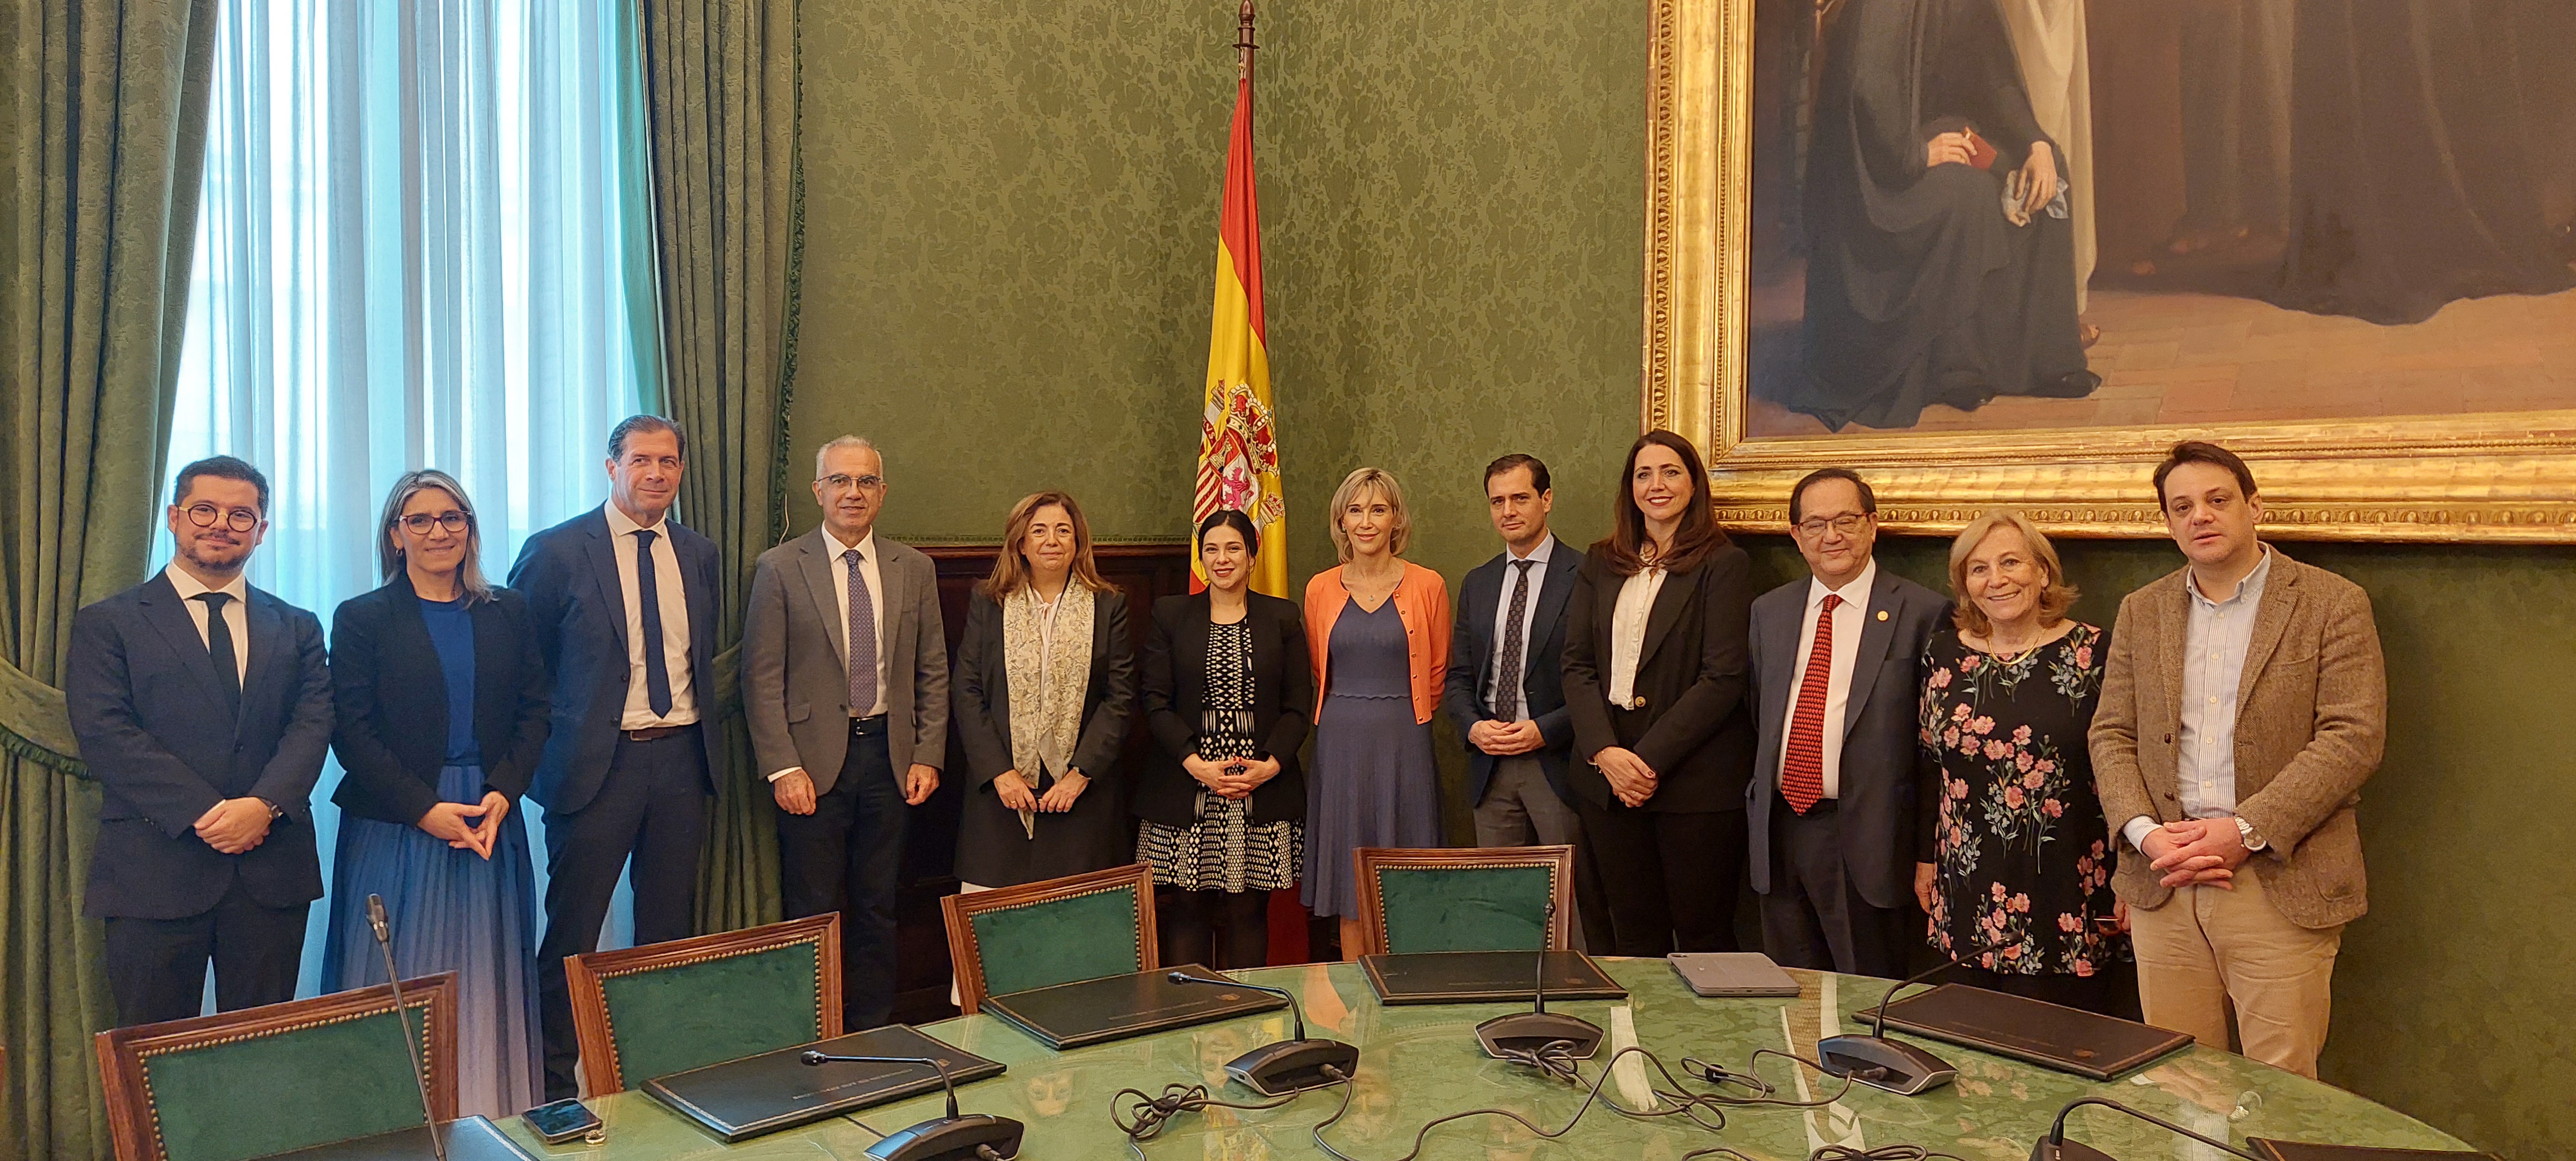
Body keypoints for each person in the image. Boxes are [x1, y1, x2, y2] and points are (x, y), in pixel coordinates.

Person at [2089, 441, 2386, 1079]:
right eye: (2182, 506)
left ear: (2253, 505)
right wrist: (2146, 836)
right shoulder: (2141, 610)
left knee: (2281, 1086)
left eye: (2217, 499)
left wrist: (2242, 831)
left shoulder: (2332, 602)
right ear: (2168, 523)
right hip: (2164, 878)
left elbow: (2351, 735)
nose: (2201, 515)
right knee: (2177, 1079)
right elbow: (2110, 733)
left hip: (2276, 877)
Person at [69, 456, 332, 1027]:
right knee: (155, 1061)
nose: (221, 524)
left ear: (261, 530)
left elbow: (313, 724)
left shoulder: (298, 626)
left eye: (241, 514)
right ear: (174, 517)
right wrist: (208, 812)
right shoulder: (108, 623)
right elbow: (105, 732)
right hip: (153, 871)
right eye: (205, 509)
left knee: (263, 1053)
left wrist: (261, 806)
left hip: (271, 872)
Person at [321, 470, 550, 1115]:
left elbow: (537, 711)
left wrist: (505, 790)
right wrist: (424, 810)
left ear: (470, 529)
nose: (437, 531)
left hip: (488, 818)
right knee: (395, 982)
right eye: (419, 519)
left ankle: (485, 1119)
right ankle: (387, 1128)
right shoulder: (362, 617)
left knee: (486, 982)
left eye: (452, 517)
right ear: (396, 534)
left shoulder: (508, 609)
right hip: (396, 823)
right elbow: (353, 731)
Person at [509, 415, 726, 1100]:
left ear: (681, 471)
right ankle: (557, 1087)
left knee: (666, 931)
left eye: (668, 462)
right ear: (611, 466)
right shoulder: (556, 550)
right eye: (640, 460)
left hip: (682, 762)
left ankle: (653, 1074)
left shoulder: (699, 552)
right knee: (573, 933)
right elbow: (524, 667)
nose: (655, 474)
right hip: (596, 768)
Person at [1793, 0, 2099, 430]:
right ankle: (1955, 368)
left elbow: (1996, 82)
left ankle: (2041, 359)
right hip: (1876, 177)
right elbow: (1867, 91)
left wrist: (2035, 143)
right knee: (1966, 196)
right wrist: (1916, 155)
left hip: (1940, 134)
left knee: (2045, 175)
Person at [743, 435, 947, 1032]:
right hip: (810, 766)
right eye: (839, 480)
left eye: (865, 481)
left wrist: (929, 753)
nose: (852, 492)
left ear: (882, 492)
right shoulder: (780, 568)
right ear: (818, 490)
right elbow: (760, 677)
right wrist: (782, 766)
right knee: (813, 911)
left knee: (880, 908)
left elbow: (932, 668)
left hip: (891, 757)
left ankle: (875, 1031)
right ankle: (816, 1037)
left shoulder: (914, 568)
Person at [1914, 508, 2126, 1014]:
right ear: (1965, 584)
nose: (1997, 580)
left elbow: (2129, 766)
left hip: (2067, 887)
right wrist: (1926, 857)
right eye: (1979, 568)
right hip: (1965, 885)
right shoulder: (1944, 652)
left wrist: (2130, 876)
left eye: (2012, 562)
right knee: (1971, 1042)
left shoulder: (2096, 652)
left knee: (2059, 1044)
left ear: (2043, 572)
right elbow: (1929, 762)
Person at [1747, 468, 1947, 978]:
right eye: (1814, 525)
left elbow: (1934, 752)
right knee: (1787, 992)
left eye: (1845, 521)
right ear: (1795, 535)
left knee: (1864, 995)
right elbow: (1759, 714)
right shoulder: (1769, 611)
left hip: (1869, 837)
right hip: (1781, 829)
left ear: (1873, 525)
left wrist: (1926, 851)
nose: (1830, 536)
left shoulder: (1922, 612)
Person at [1560, 432, 1754, 956]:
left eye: (1670, 472)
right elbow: (1576, 665)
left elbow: (1723, 678)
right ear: (1630, 488)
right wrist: (1605, 754)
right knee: (1630, 937)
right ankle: (1637, 1041)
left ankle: (1706, 1043)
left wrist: (1643, 764)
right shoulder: (1602, 561)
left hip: (1693, 785)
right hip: (1607, 783)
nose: (1656, 485)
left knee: (1702, 937)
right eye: (1643, 474)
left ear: (1694, 484)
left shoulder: (1723, 563)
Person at [1442, 453, 1612, 952]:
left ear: (1547, 500)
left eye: (1520, 498)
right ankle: (1510, 1011)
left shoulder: (1587, 574)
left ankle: (1580, 1009)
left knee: (1571, 907)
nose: (1508, 511)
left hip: (1556, 761)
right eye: (1498, 501)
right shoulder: (1479, 581)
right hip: (1490, 766)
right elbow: (1459, 677)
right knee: (1501, 906)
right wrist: (1474, 727)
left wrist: (1546, 729)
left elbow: (1600, 680)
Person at [1136, 510, 1310, 969]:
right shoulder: (1171, 614)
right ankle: (1190, 1018)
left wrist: (1270, 765)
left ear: (1253, 556)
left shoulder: (1282, 617)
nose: (1222, 558)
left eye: (1234, 548)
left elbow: (1298, 705)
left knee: (1249, 910)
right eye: (1211, 549)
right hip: (1187, 783)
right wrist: (1194, 762)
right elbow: (1154, 700)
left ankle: (1247, 1016)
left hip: (1261, 787)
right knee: (1188, 909)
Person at [952, 491, 1138, 888]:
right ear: (1021, 543)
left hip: (1081, 798)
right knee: (997, 932)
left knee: (1077, 930)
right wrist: (1000, 772)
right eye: (1039, 531)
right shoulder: (990, 602)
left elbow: (1120, 697)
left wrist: (1079, 775)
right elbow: (967, 690)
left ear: (1078, 543)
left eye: (1063, 531)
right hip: (1001, 796)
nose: (1051, 540)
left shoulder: (1108, 605)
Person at [1301, 467, 1450, 958]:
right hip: (1340, 741)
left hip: (1404, 738)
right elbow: (1319, 672)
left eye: (1378, 509)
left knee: (1405, 870)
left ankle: (1409, 994)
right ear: (1341, 521)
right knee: (1350, 879)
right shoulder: (1319, 588)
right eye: (1356, 510)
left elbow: (1436, 672)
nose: (1366, 521)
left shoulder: (1429, 584)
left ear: (1396, 520)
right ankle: (1356, 995)